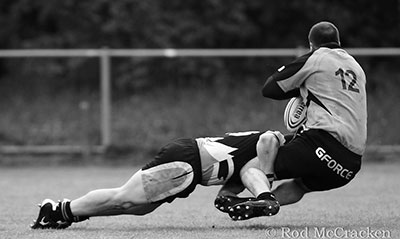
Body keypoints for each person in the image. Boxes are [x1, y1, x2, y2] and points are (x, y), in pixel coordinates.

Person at [215, 21, 367, 216]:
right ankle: (262, 204)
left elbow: (270, 89)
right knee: (299, 186)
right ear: (338, 42)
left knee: (250, 167)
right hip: (349, 166)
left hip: (321, 145)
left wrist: (301, 90)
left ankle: (234, 195)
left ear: (311, 44)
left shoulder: (316, 58)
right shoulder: (356, 67)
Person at [31, 130, 286, 229]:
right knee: (124, 199)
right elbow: (269, 138)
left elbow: (243, 174)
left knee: (139, 207)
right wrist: (267, 189)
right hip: (187, 161)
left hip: (191, 165)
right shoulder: (278, 143)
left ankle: (66, 213)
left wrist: (231, 199)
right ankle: (56, 211)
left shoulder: (257, 162)